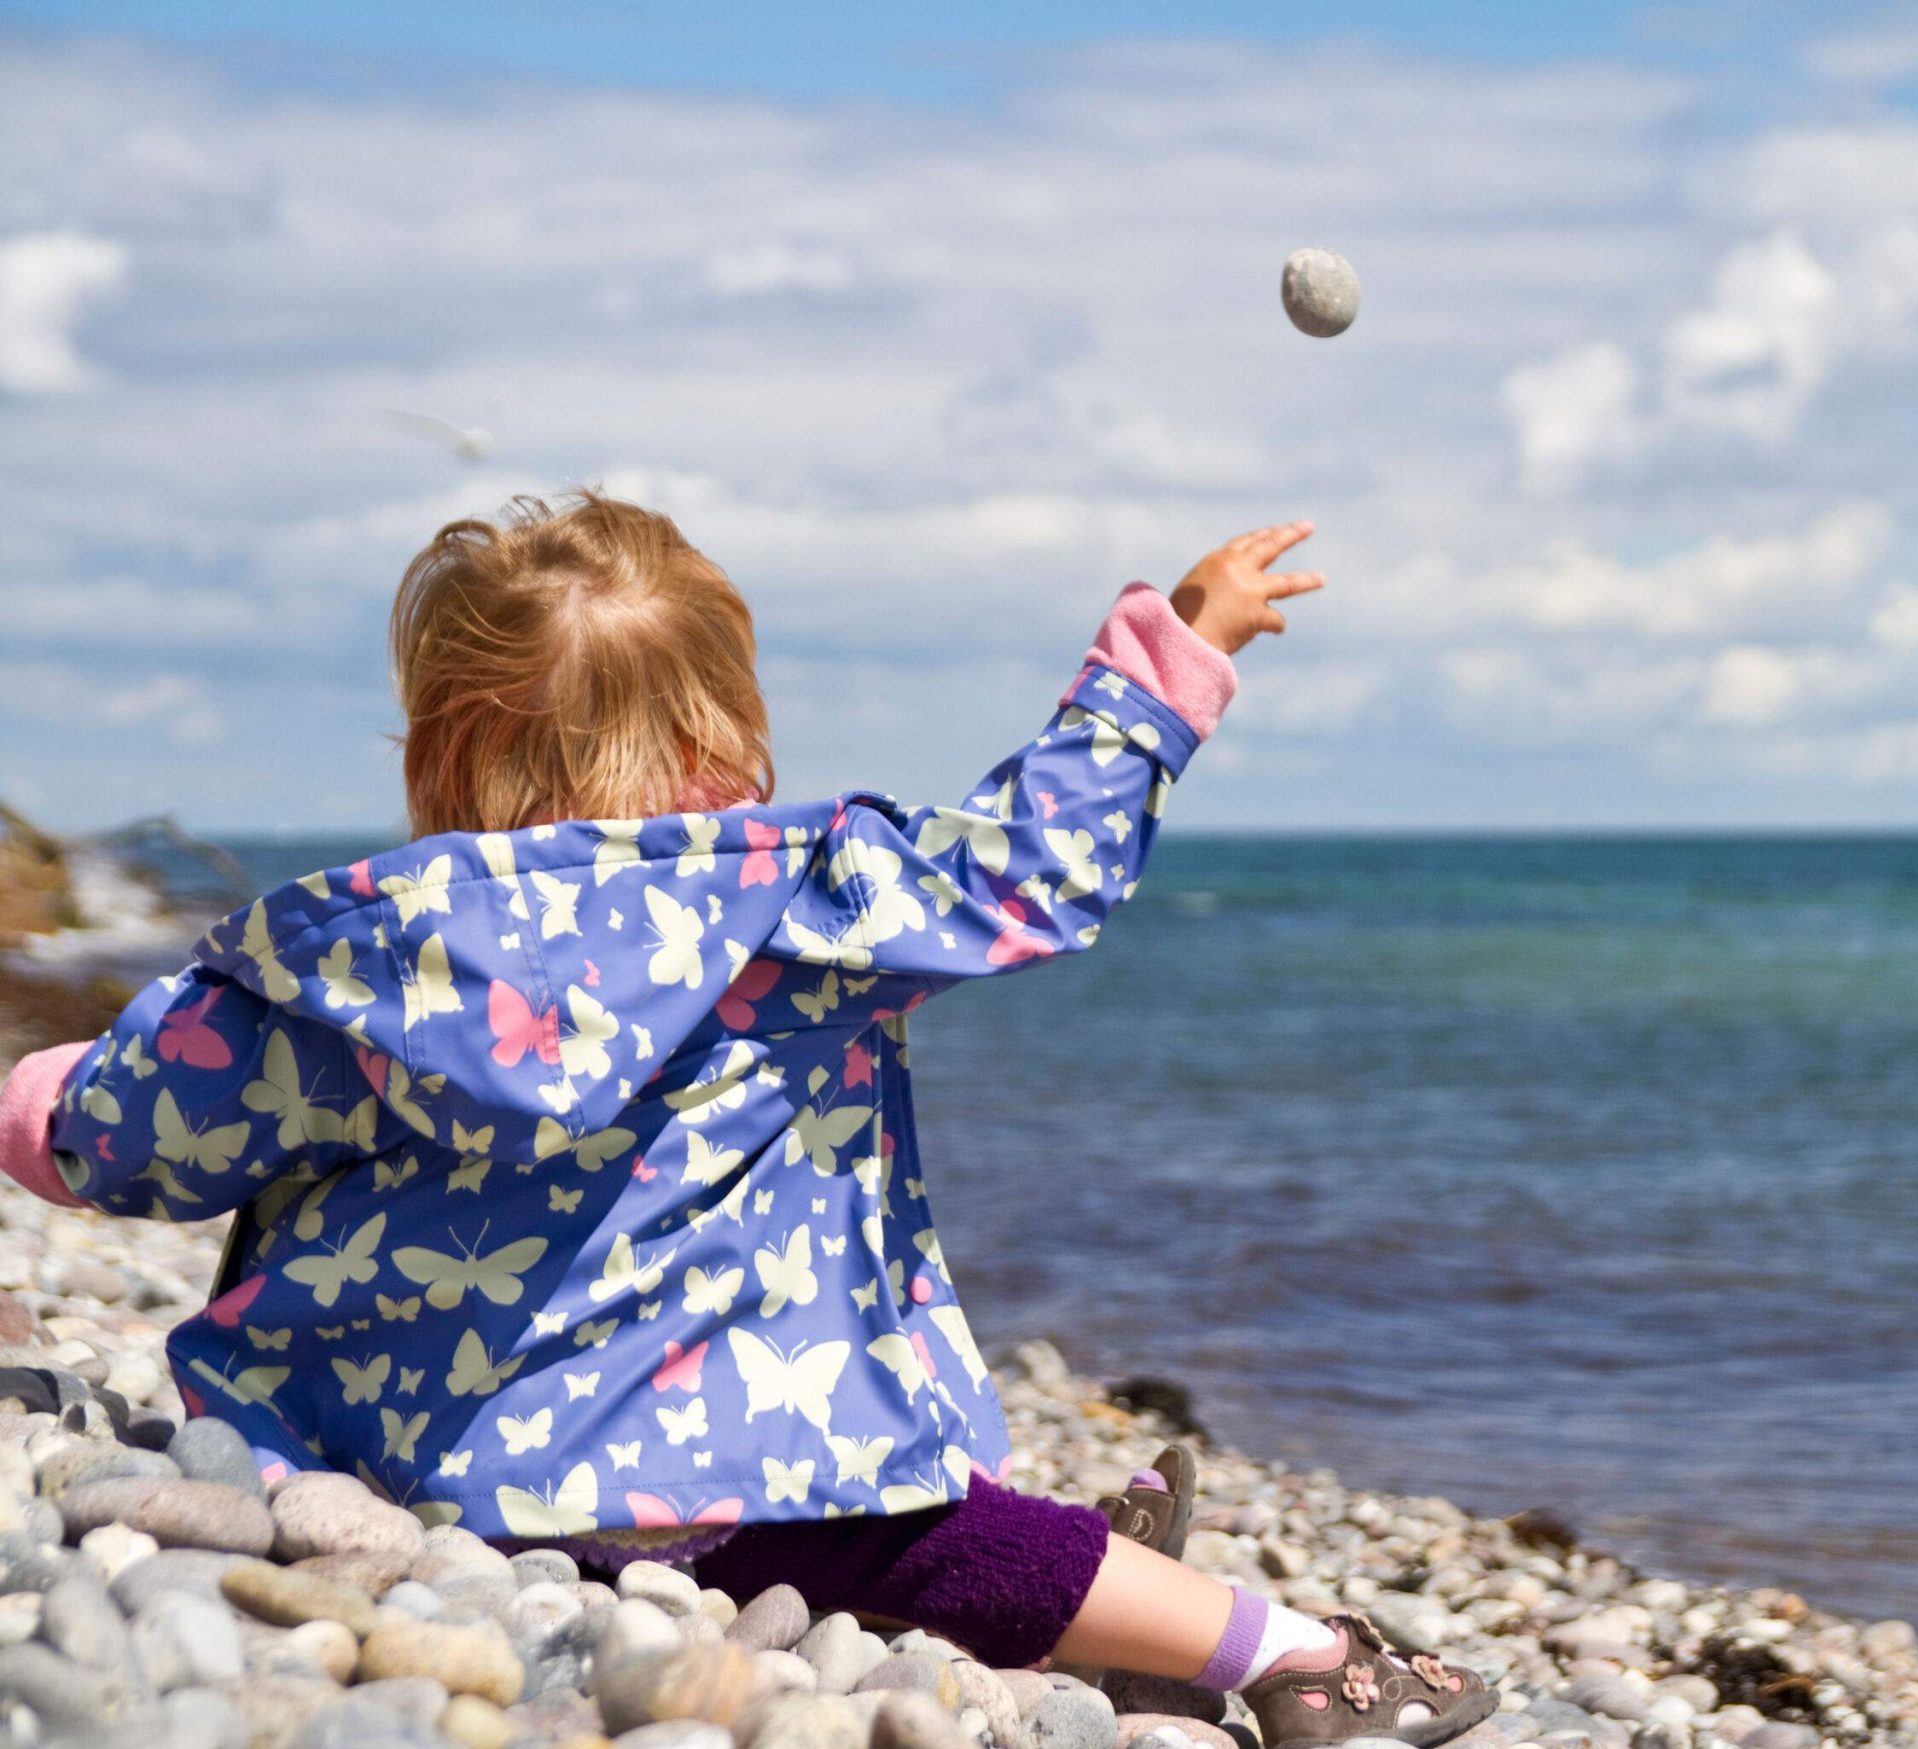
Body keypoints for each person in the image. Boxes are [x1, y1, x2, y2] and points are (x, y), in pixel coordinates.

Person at [0, 493, 1493, 1747]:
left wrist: (45, 1105)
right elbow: (1040, 856)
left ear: (437, 757)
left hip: (445, 1479)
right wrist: (1169, 656)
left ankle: (1093, 1581)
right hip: (747, 1472)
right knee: (911, 1529)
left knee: (893, 1520)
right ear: (733, 733)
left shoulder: (372, 961)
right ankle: (1295, 1655)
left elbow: (146, 1126)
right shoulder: (815, 904)